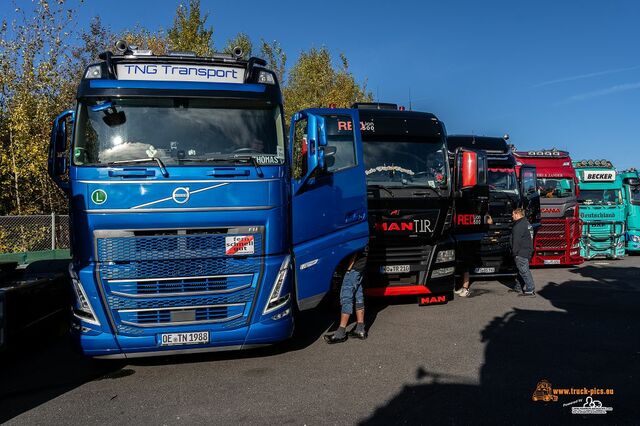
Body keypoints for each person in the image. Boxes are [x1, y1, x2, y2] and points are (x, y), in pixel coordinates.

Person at [324, 248, 368, 344]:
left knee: (346, 297)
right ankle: (360, 330)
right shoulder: (365, 235)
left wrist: (348, 269)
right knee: (358, 295)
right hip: (361, 266)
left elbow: (354, 251)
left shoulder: (355, 233)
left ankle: (341, 333)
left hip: (353, 268)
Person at [454, 213, 493, 298]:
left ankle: (465, 288)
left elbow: (488, 223)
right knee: (462, 266)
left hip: (469, 244)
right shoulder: (466, 217)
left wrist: (487, 219)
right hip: (462, 242)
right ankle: (462, 287)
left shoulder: (476, 218)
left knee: (465, 267)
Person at [510, 207, 535, 296]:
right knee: (521, 270)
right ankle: (518, 287)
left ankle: (530, 289)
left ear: (517, 214)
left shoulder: (519, 226)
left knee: (524, 271)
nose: (512, 216)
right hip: (527, 251)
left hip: (521, 252)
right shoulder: (527, 224)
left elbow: (516, 241)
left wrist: (514, 253)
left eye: (513, 214)